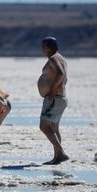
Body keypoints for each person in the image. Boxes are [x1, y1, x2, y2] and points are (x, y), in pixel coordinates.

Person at [38, 36, 69, 165]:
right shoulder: (61, 58)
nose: (42, 49)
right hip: (59, 98)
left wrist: (51, 90)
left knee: (44, 126)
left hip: (54, 98)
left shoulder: (53, 58)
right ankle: (57, 157)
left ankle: (61, 153)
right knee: (54, 127)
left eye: (44, 46)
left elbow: (61, 74)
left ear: (48, 47)